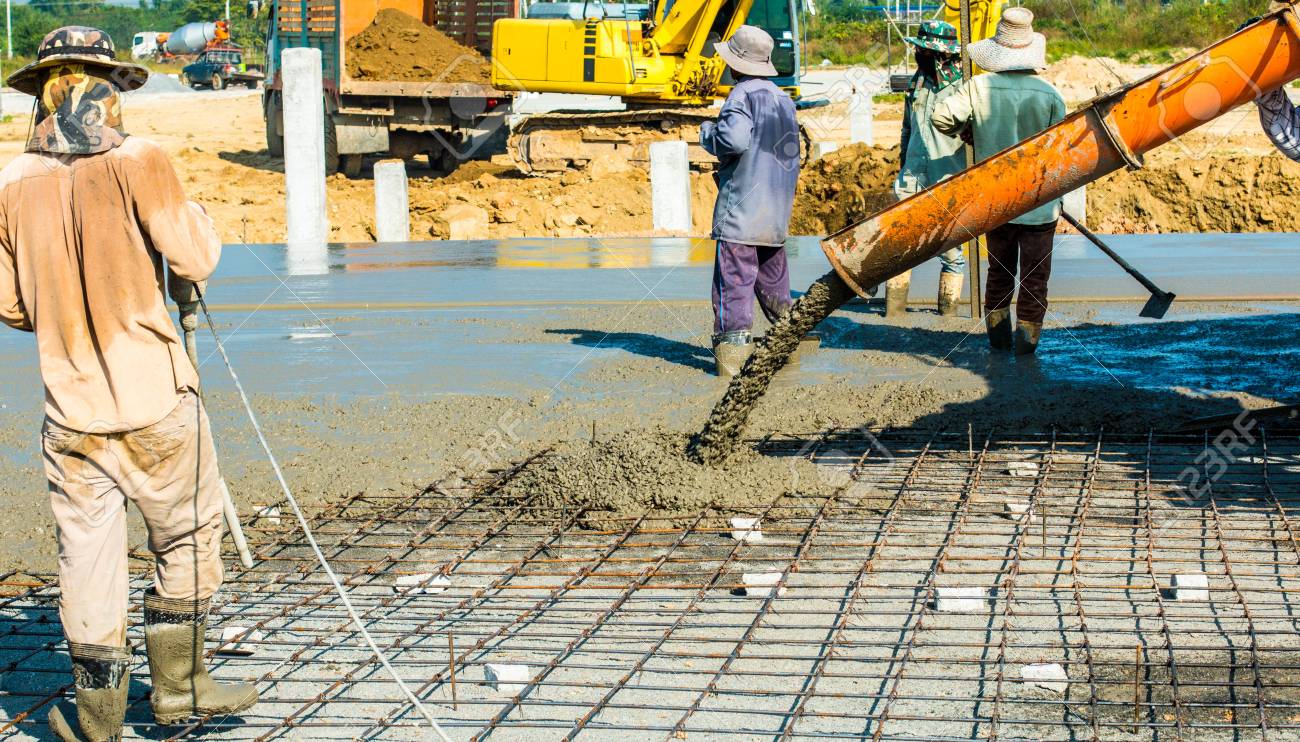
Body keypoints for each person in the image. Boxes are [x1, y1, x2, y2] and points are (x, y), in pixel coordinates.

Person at [0, 27, 257, 740]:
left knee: (86, 560)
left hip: (71, 415)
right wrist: (194, 220)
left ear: (42, 97)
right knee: (188, 538)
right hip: (155, 406)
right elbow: (194, 257)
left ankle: (98, 720)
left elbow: (13, 305)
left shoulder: (11, 183)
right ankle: (178, 689)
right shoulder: (141, 161)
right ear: (107, 89)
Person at [932, 7, 1065, 355]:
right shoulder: (1049, 94)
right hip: (1039, 204)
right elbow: (1060, 151)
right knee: (1035, 278)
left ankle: (999, 343)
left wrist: (968, 133)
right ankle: (1026, 347)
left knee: (1000, 272)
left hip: (996, 201)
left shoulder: (978, 87)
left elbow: (940, 117)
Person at [700, 24, 801, 378]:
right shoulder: (783, 99)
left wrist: (707, 134)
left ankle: (732, 363)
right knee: (775, 286)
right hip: (775, 212)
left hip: (741, 211)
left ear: (736, 64)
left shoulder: (741, 96)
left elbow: (734, 140)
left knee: (734, 284)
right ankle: (788, 351)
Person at [887, 20, 968, 319]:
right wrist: (902, 165)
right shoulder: (917, 82)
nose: (919, 54)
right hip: (912, 176)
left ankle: (947, 315)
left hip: (945, 177)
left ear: (941, 55)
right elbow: (907, 128)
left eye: (924, 50)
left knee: (949, 251)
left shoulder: (962, 88)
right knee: (898, 246)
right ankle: (894, 312)